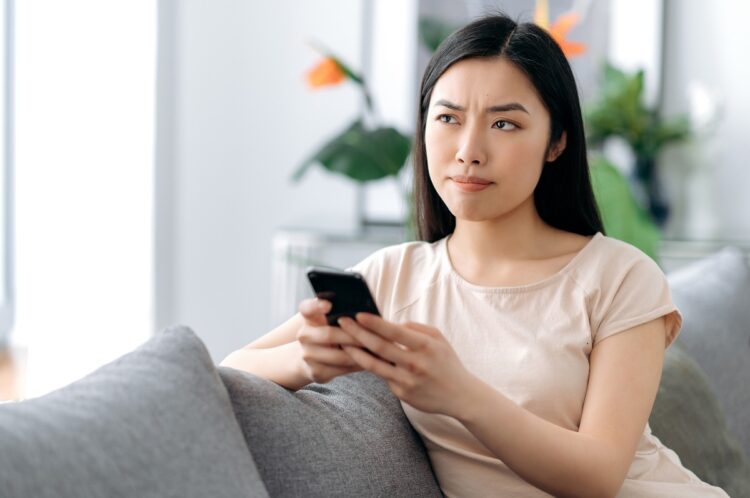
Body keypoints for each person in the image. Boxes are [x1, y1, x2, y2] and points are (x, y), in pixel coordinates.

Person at [221, 13, 729, 498]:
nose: (468, 149)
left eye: (504, 124)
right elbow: (234, 367)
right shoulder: (395, 276)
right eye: (448, 118)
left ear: (556, 143)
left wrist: (458, 392)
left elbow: (597, 477)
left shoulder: (620, 276)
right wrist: (307, 359)